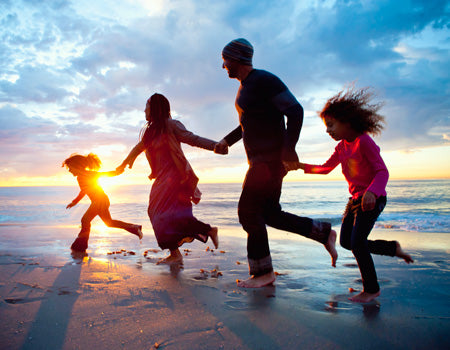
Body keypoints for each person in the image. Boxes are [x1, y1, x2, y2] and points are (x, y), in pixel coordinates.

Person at [214, 38, 337, 288]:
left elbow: (295, 110)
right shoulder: (246, 87)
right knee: (269, 213)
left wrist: (288, 150)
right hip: (261, 161)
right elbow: (248, 123)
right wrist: (227, 140)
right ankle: (322, 232)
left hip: (268, 161)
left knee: (248, 213)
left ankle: (263, 273)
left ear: (237, 59)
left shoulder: (264, 80)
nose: (223, 65)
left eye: (225, 60)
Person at [291, 87, 414, 302]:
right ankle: (392, 247)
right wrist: (301, 166)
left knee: (358, 243)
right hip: (355, 200)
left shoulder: (364, 142)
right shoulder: (342, 147)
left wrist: (372, 193)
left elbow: (382, 171)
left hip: (373, 199)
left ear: (347, 121)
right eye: (326, 127)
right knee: (348, 242)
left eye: (331, 125)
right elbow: (326, 168)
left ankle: (371, 289)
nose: (328, 130)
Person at [117, 93, 220, 265]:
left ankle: (206, 231)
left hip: (176, 178)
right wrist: (125, 163)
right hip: (161, 179)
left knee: (170, 215)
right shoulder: (150, 131)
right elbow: (139, 147)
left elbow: (193, 139)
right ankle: (178, 251)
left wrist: (215, 146)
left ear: (155, 108)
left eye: (146, 107)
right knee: (155, 213)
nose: (144, 111)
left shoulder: (171, 126)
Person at [63, 153, 143, 252]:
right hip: (100, 201)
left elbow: (105, 174)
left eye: (70, 168)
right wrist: (74, 202)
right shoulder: (80, 178)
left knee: (85, 220)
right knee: (109, 223)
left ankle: (80, 246)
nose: (69, 170)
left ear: (77, 166)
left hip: (100, 201)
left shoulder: (89, 174)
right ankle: (135, 228)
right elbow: (84, 191)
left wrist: (118, 171)